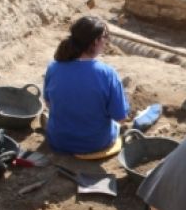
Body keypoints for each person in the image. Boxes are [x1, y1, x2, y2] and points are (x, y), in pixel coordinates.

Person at [43, 16, 130, 154]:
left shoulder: (53, 67)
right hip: (95, 143)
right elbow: (121, 117)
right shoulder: (107, 73)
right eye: (105, 37)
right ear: (96, 41)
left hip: (58, 140)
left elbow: (48, 103)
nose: (106, 42)